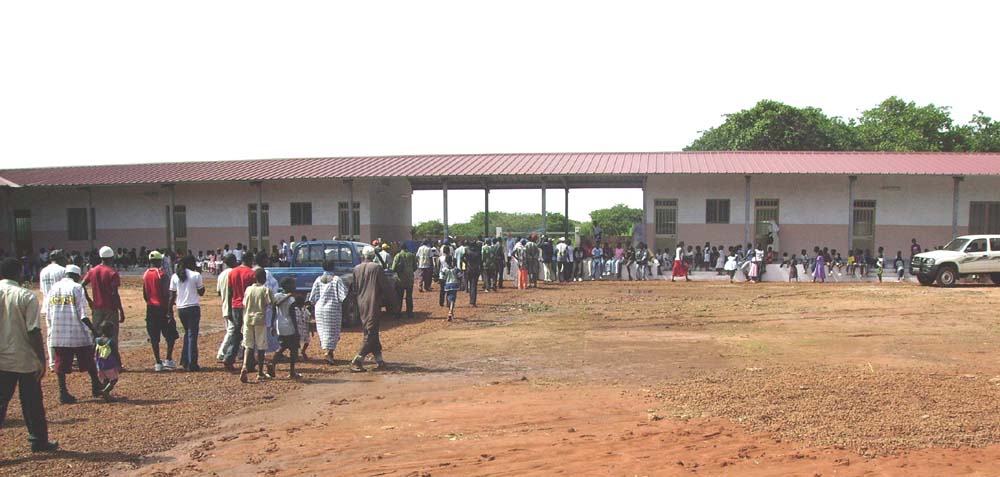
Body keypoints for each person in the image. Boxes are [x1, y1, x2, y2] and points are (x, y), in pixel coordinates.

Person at [0, 258, 57, 452]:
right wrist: (41, 359)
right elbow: (33, 330)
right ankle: (38, 440)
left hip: (2, 359)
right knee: (32, 402)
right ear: (19, 273)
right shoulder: (26, 296)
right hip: (24, 358)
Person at [46, 264, 103, 403]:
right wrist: (94, 331)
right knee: (88, 359)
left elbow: (48, 311)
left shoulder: (54, 287)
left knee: (60, 363)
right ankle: (96, 385)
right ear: (77, 276)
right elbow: (82, 314)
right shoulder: (77, 288)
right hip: (76, 331)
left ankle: (62, 392)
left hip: (58, 331)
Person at [349, 246, 395, 372]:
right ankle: (357, 360)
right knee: (371, 333)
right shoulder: (376, 268)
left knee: (369, 331)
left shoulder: (356, 269)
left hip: (361, 303)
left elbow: (354, 289)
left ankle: (379, 359)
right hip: (373, 303)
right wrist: (393, 301)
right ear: (373, 256)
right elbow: (385, 287)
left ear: (363, 256)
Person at [82, 246, 125, 367]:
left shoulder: (93, 270)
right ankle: (114, 363)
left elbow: (82, 285)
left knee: (96, 334)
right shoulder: (112, 273)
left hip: (97, 308)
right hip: (110, 308)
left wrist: (89, 300)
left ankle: (92, 362)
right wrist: (121, 310)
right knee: (112, 336)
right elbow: (115, 293)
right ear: (111, 258)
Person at [142, 251, 178, 371]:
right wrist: (169, 309)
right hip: (162, 308)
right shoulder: (161, 274)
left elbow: (145, 294)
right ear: (159, 261)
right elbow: (166, 293)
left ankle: (158, 362)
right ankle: (168, 359)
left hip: (150, 308)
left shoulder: (145, 274)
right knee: (171, 335)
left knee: (154, 337)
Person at [308, 259, 348, 365]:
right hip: (332, 308)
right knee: (332, 332)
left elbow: (312, 297)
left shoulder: (318, 280)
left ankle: (328, 353)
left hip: (319, 309)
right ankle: (328, 353)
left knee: (323, 332)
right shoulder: (336, 280)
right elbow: (343, 295)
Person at [169, 254, 205, 372]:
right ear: (190, 264)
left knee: (187, 334)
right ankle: (192, 363)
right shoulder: (196, 275)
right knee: (192, 336)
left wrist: (169, 311)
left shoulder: (175, 276)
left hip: (181, 308)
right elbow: (201, 292)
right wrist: (200, 274)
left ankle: (185, 360)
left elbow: (172, 296)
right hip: (193, 307)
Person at [223, 253, 256, 371]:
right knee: (250, 333)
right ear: (249, 260)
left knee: (236, 332)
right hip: (247, 306)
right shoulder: (251, 273)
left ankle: (229, 357)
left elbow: (229, 292)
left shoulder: (232, 272)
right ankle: (250, 362)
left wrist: (229, 309)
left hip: (235, 305)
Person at [240, 268, 274, 383]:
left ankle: (244, 366)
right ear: (264, 279)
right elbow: (271, 303)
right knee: (261, 346)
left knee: (248, 345)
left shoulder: (248, 289)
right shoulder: (265, 290)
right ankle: (260, 372)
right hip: (260, 320)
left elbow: (244, 305)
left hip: (247, 319)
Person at [39, 249, 67, 370]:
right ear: (60, 258)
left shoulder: (43, 271)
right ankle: (64, 359)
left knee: (50, 334)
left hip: (47, 305)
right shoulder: (62, 270)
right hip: (60, 305)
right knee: (64, 333)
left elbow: (42, 290)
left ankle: (52, 361)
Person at [270, 277, 302, 379]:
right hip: (289, 326)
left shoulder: (277, 296)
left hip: (279, 325)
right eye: (293, 284)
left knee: (282, 346)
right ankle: (292, 372)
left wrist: (272, 325)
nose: (295, 286)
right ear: (288, 286)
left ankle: (272, 363)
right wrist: (297, 331)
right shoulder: (291, 300)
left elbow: (274, 311)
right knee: (293, 349)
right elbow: (293, 316)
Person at [216, 254, 237, 361]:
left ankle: (234, 351)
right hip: (233, 306)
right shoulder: (234, 273)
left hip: (225, 305)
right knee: (232, 331)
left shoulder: (221, 275)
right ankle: (222, 352)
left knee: (231, 330)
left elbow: (219, 292)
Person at [94, 321, 121, 399]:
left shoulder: (97, 340)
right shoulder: (111, 342)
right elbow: (116, 354)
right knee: (114, 379)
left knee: (105, 379)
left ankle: (105, 394)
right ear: (110, 331)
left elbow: (93, 350)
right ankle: (105, 391)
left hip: (99, 365)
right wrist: (119, 364)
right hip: (109, 365)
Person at [391, 245, 417, 319]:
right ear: (406, 248)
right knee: (409, 296)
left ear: (401, 248)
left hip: (400, 280)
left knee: (399, 297)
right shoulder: (411, 255)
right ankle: (409, 313)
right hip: (410, 279)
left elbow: (393, 268)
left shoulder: (398, 255)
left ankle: (398, 314)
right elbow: (415, 267)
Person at [441, 256, 462, 321]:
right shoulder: (456, 269)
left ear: (446, 261)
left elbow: (442, 278)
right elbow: (460, 276)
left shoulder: (444, 269)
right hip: (454, 285)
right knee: (453, 299)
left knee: (449, 298)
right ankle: (450, 311)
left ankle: (450, 311)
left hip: (447, 285)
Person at [463, 240, 482, 306]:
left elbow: (463, 258)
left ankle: (471, 299)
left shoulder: (467, 251)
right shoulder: (478, 252)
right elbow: (480, 261)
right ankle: (473, 301)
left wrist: (467, 263)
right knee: (474, 285)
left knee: (470, 284)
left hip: (469, 269)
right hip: (476, 269)